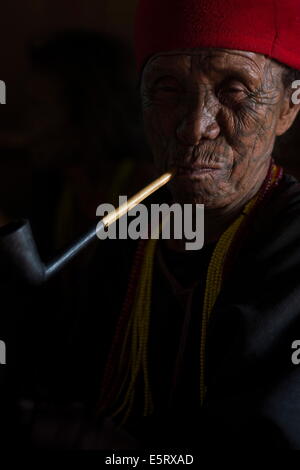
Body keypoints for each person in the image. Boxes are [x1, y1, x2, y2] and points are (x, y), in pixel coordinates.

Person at [83, 0, 300, 450]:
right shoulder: (123, 230)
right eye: (167, 88)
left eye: (235, 89)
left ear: (287, 109)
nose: (193, 127)